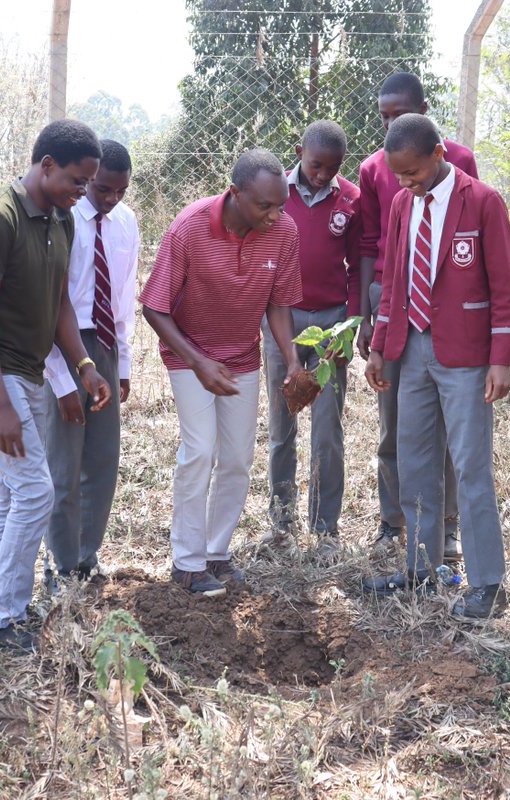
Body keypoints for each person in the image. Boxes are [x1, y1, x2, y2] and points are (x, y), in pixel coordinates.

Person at [0, 119, 110, 653]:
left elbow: (60, 301)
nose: (81, 192)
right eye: (75, 180)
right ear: (45, 165)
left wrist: (83, 364)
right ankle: (7, 618)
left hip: (28, 367)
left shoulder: (60, 220)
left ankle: (5, 601)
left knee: (13, 490)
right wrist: (0, 405)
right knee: (37, 489)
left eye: (87, 184)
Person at [363, 114, 510, 619]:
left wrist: (501, 358)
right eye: (397, 175)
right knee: (414, 460)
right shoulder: (401, 205)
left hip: (467, 356)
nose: (404, 182)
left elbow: (505, 288)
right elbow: (392, 283)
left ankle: (487, 584)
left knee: (470, 465)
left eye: (411, 172)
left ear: (437, 154)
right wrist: (381, 348)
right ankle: (420, 570)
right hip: (413, 350)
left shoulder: (482, 202)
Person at [141, 148, 304, 597]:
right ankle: (187, 564)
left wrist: (291, 359)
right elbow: (154, 307)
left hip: (242, 359)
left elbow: (278, 303)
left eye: (281, 205)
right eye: (264, 205)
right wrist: (197, 362)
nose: (274, 215)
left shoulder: (283, 232)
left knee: (236, 459)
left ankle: (217, 553)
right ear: (235, 193)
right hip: (188, 356)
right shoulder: (190, 226)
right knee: (199, 451)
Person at [357, 71, 479, 559]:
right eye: (384, 116)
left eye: (401, 114)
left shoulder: (459, 161)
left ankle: (446, 525)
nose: (391, 124)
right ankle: (395, 520)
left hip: (440, 303)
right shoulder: (373, 169)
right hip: (391, 301)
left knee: (446, 425)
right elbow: (369, 244)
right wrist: (369, 318)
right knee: (396, 422)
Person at [41, 139, 140, 583]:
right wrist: (62, 379)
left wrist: (121, 367)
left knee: (102, 459)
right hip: (64, 344)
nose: (109, 199)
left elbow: (122, 297)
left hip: (105, 343)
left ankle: (86, 556)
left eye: (119, 191)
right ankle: (60, 561)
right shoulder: (63, 218)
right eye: (101, 189)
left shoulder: (125, 223)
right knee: (64, 461)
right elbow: (47, 304)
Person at [262, 121, 361, 552]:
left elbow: (358, 268)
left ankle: (325, 529)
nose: (323, 175)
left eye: (333, 168)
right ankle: (281, 522)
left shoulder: (352, 199)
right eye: (316, 165)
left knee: (327, 430)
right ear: (299, 151)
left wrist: (352, 324)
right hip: (282, 321)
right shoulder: (274, 194)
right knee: (282, 426)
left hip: (331, 322)